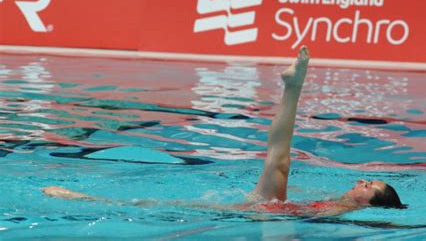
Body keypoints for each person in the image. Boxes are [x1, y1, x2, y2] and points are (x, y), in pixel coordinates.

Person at [43, 46, 405, 216]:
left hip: (268, 211)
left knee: (276, 163)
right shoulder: (337, 200)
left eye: (371, 188)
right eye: (369, 180)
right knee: (278, 160)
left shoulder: (341, 213)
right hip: (270, 207)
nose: (364, 182)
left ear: (372, 204)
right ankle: (293, 86)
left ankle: (85, 201)